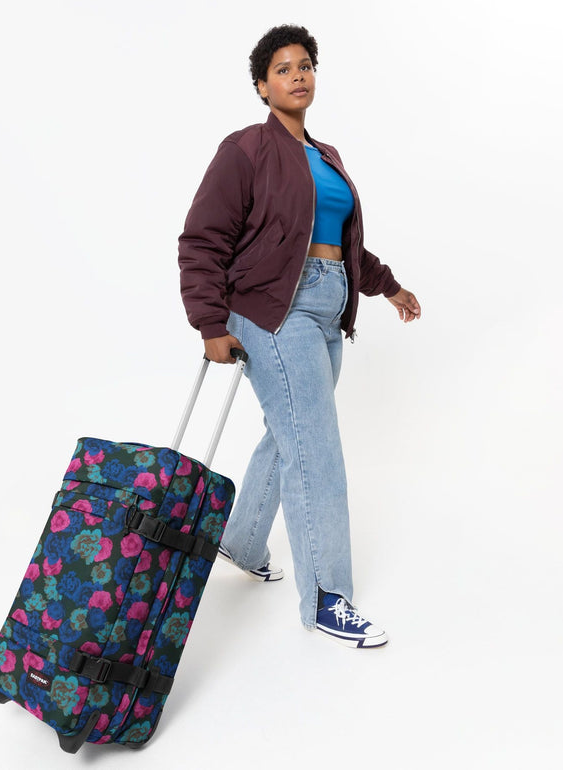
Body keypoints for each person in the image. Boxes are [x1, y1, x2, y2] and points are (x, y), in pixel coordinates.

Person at [178, 24, 421, 649]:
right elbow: (202, 239)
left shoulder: (327, 155)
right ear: (262, 86)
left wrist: (389, 288)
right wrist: (209, 322)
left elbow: (345, 245)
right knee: (315, 445)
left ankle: (241, 540)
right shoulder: (245, 149)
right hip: (272, 310)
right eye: (282, 69)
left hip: (328, 305)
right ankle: (326, 596)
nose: (297, 75)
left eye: (305, 65)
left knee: (289, 432)